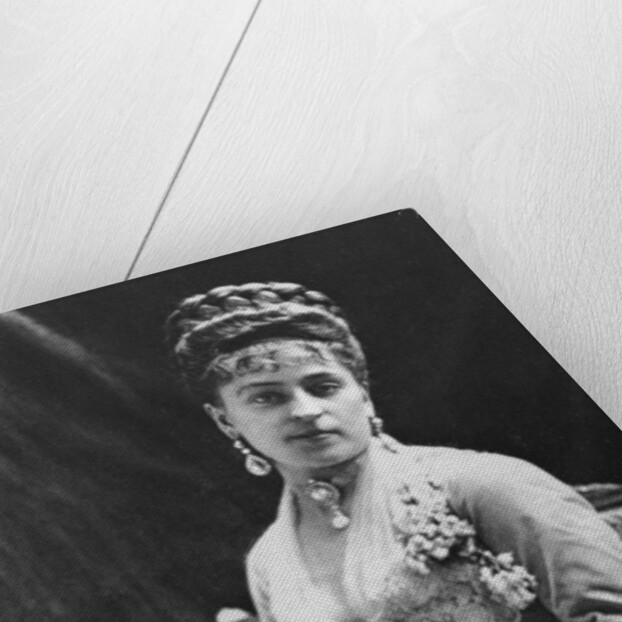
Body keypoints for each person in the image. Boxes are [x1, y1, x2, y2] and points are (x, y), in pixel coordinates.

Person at [166, 282, 622, 622]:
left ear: (362, 395)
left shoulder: (476, 485)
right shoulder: (269, 562)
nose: (306, 411)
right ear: (225, 420)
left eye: (323, 387)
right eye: (267, 397)